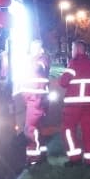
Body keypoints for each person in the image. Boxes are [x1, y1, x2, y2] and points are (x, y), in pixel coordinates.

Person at [58, 40, 90, 166]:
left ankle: (75, 158)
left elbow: (62, 82)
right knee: (89, 132)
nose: (71, 52)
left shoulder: (73, 64)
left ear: (78, 50)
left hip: (73, 106)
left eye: (72, 49)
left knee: (68, 130)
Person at [21, 40, 52, 168]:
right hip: (35, 99)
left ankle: (34, 159)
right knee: (38, 129)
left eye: (35, 48)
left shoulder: (42, 60)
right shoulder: (35, 59)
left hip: (36, 99)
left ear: (40, 50)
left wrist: (29, 60)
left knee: (30, 129)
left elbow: (38, 68)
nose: (32, 51)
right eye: (31, 48)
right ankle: (42, 156)